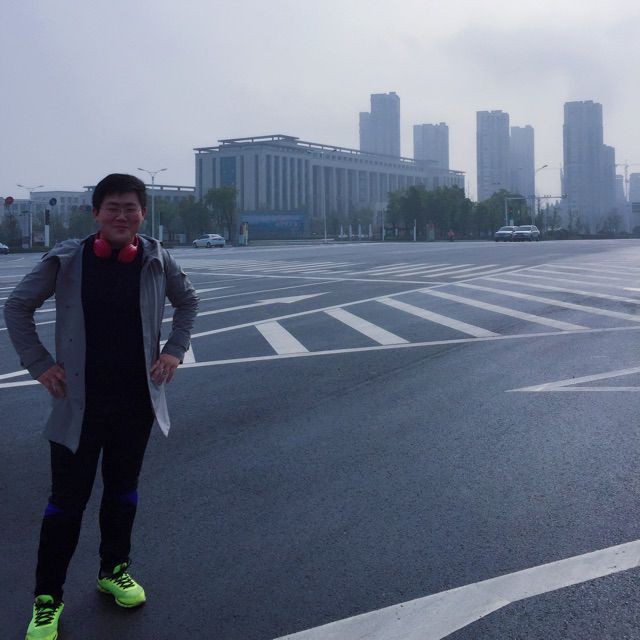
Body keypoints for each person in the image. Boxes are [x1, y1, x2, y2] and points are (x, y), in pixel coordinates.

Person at [4, 173, 199, 640]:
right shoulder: (67, 260)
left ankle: (114, 570)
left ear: (142, 214)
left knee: (122, 492)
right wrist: (39, 364)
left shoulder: (156, 257)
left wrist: (175, 350)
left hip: (136, 403)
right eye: (112, 207)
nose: (121, 216)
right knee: (65, 503)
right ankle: (47, 600)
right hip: (79, 405)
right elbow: (16, 307)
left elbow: (187, 302)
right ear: (95, 213)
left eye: (130, 208)